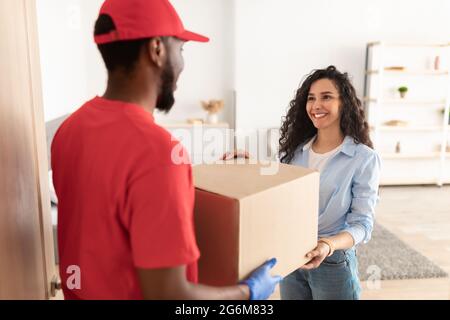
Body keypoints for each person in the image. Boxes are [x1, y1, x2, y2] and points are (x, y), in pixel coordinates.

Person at [51, 0, 281, 300]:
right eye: (181, 49)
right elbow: (171, 296)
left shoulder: (70, 129)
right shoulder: (157, 151)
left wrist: (203, 174)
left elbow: (114, 201)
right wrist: (247, 293)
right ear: (157, 49)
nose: (183, 64)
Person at [278, 66, 381, 300]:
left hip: (333, 261)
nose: (316, 105)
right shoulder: (294, 154)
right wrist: (247, 164)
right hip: (292, 257)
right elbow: (275, 195)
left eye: (326, 97)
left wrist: (327, 245)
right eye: (311, 98)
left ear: (343, 103)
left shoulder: (364, 158)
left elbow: (362, 225)